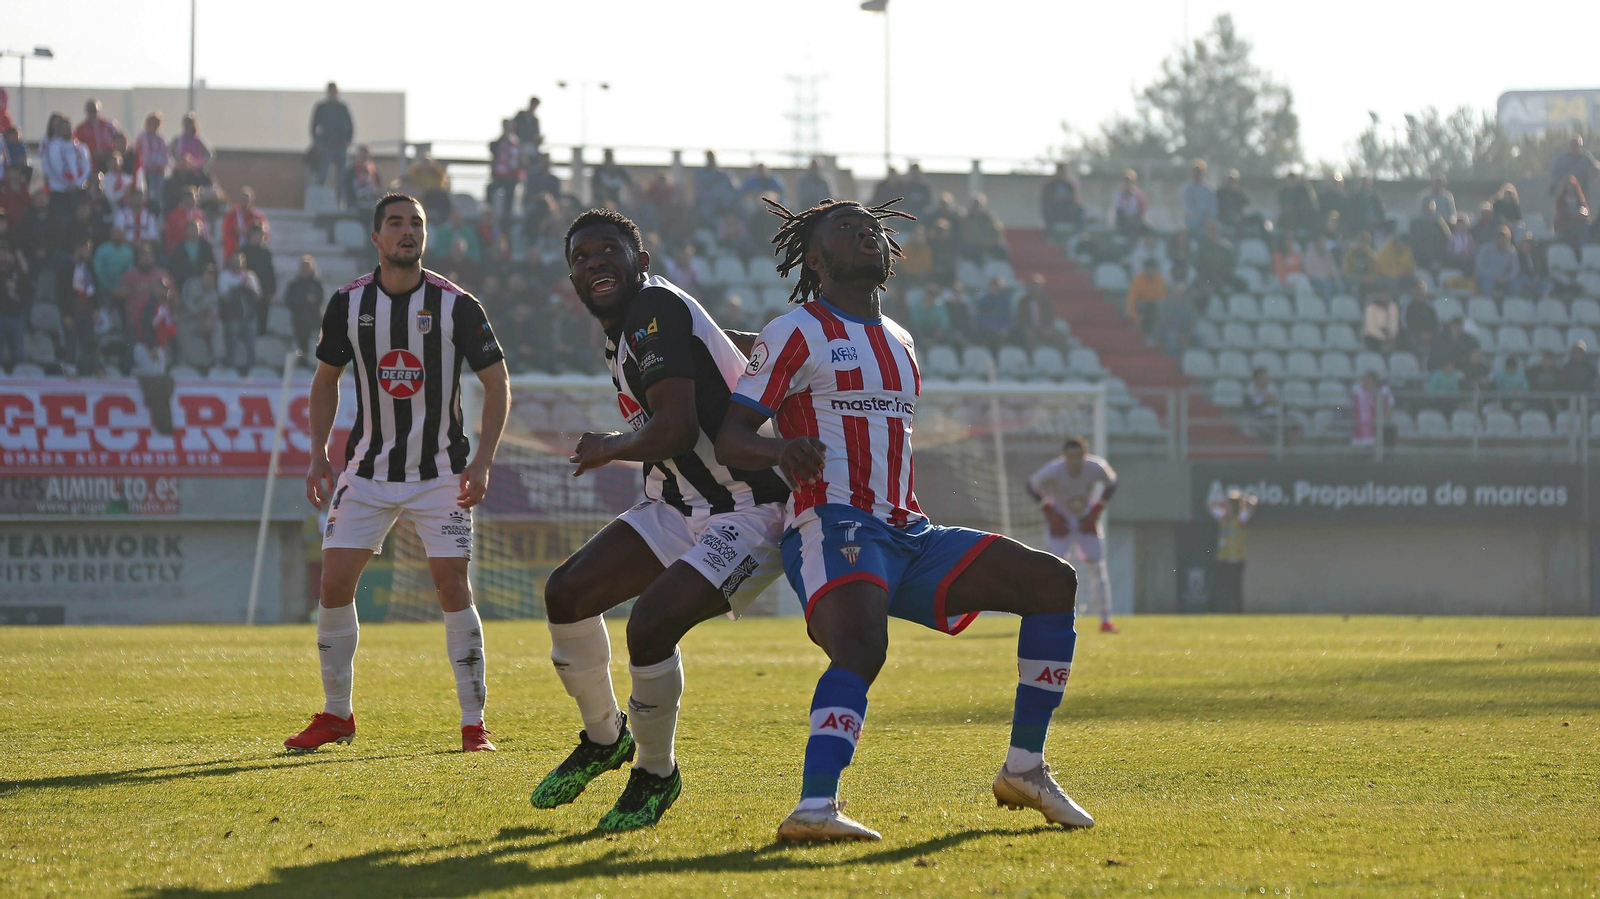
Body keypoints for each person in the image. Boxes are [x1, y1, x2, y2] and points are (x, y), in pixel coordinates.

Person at [716, 197, 1093, 841]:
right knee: (862, 647)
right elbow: (732, 436)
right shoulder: (795, 331)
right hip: (833, 523)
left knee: (1052, 582)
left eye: (873, 228)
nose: (867, 233)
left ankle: (1024, 768)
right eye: (846, 228)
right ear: (815, 259)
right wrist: (781, 450)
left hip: (911, 533)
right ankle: (814, 807)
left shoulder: (901, 338)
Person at [528, 209, 791, 833]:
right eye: (581, 257)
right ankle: (605, 738)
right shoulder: (635, 325)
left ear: (640, 261)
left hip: (750, 510)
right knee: (567, 594)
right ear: (572, 279)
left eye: (607, 250)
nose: (594, 262)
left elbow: (674, 428)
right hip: (677, 503)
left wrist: (609, 446)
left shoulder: (652, 308)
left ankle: (655, 773)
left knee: (650, 625)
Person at [284, 193, 510, 755]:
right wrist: (318, 454)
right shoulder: (348, 303)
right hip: (367, 471)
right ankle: (337, 714)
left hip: (442, 474)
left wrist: (483, 460)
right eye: (395, 223)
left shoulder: (458, 306)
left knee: (452, 586)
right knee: (333, 583)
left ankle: (473, 724)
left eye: (416, 223)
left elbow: (498, 383)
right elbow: (325, 380)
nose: (407, 231)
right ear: (376, 237)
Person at [1027, 438, 1119, 633]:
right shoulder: (1054, 470)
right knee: (1054, 570)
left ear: (1085, 455)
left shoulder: (1095, 467)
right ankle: (1049, 618)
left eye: (1079, 456)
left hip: (1085, 521)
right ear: (1064, 456)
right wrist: (1051, 515)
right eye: (1071, 456)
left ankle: (1105, 620)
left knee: (1098, 570)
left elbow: (1112, 483)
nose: (1075, 461)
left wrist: (1096, 512)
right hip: (1061, 522)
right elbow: (1031, 485)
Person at [1208, 490, 1256, 613]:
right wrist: (1223, 501)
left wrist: (1241, 499)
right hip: (1223, 559)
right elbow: (1210, 505)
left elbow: (1253, 504)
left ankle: (1238, 611)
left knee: (1235, 588)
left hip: (1237, 560)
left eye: (1229, 506)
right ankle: (1219, 610)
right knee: (1220, 587)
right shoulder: (1222, 518)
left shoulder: (1240, 519)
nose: (1227, 508)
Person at [310, 82, 354, 196]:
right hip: (326, 145)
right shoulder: (321, 107)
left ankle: (340, 200)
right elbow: (314, 126)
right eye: (331, 92)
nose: (333, 94)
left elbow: (350, 124)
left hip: (340, 145)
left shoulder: (342, 107)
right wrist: (317, 143)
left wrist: (349, 139)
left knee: (341, 176)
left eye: (334, 92)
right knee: (323, 173)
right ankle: (319, 198)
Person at [283, 255, 326, 357]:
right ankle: (303, 361)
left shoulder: (317, 283)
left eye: (307, 267)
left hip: (314, 317)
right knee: (302, 344)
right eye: (303, 267)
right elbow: (288, 300)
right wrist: (303, 300)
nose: (305, 269)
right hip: (299, 318)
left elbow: (321, 299)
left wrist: (312, 301)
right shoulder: (294, 284)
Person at [134, 113, 170, 214]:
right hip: (146, 170)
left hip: (159, 172)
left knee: (158, 195)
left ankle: (157, 212)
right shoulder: (142, 137)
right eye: (153, 123)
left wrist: (162, 166)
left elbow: (166, 155)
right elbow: (137, 152)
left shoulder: (162, 139)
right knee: (148, 194)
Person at [222, 187, 270, 261]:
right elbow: (226, 234)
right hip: (236, 251)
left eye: (246, 199)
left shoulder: (257, 216)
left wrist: (251, 232)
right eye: (242, 198)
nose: (244, 201)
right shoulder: (231, 216)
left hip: (253, 251)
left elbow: (265, 234)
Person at [74, 99, 121, 169]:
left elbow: (118, 141)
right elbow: (78, 147)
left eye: (94, 111)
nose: (92, 114)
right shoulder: (81, 129)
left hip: (108, 162)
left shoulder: (109, 125)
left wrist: (109, 152)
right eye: (90, 111)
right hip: (91, 163)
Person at [1126, 257, 1167, 336]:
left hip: (1155, 306)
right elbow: (1132, 299)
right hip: (1142, 306)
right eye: (1148, 268)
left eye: (1152, 268)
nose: (1150, 271)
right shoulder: (1137, 279)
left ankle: (1154, 335)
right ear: (1144, 269)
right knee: (1145, 309)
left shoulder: (1159, 279)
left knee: (1158, 308)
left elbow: (1163, 297)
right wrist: (1134, 317)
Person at [1474, 226, 1520, 297]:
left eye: (1505, 238)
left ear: (1509, 240)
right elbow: (1480, 266)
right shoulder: (1485, 249)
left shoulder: (1512, 252)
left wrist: (1507, 278)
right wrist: (1494, 276)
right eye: (1499, 237)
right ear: (1495, 238)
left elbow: (1515, 269)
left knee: (1516, 284)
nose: (1502, 240)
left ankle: (1512, 303)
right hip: (1487, 277)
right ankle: (1487, 302)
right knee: (1487, 284)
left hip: (1504, 279)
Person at [1350, 371, 1392, 448]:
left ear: (1374, 381)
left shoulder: (1383, 391)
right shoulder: (1358, 392)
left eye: (1368, 380)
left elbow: (1388, 407)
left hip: (1378, 421)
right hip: (1361, 422)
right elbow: (1355, 408)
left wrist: (1385, 417)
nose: (1365, 382)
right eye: (1364, 380)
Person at [1040, 162, 1083, 232]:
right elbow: (1045, 201)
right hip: (1054, 211)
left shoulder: (1068, 186)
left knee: (1080, 210)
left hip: (1066, 211)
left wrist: (1066, 197)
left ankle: (1077, 230)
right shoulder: (1050, 186)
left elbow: (1074, 200)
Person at [1182, 159, 1218, 232]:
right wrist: (1200, 219)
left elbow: (1213, 208)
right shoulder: (1186, 189)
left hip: (1208, 223)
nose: (1197, 174)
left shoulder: (1210, 189)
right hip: (1191, 222)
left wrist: (1208, 220)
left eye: (1200, 171)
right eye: (1195, 171)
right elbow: (1187, 207)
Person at [1109, 169, 1148, 235]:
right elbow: (1117, 210)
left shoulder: (1139, 196)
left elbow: (1143, 210)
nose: (1127, 184)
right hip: (1122, 224)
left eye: (1130, 182)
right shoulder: (1118, 195)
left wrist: (1134, 219)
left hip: (1136, 224)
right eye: (1125, 181)